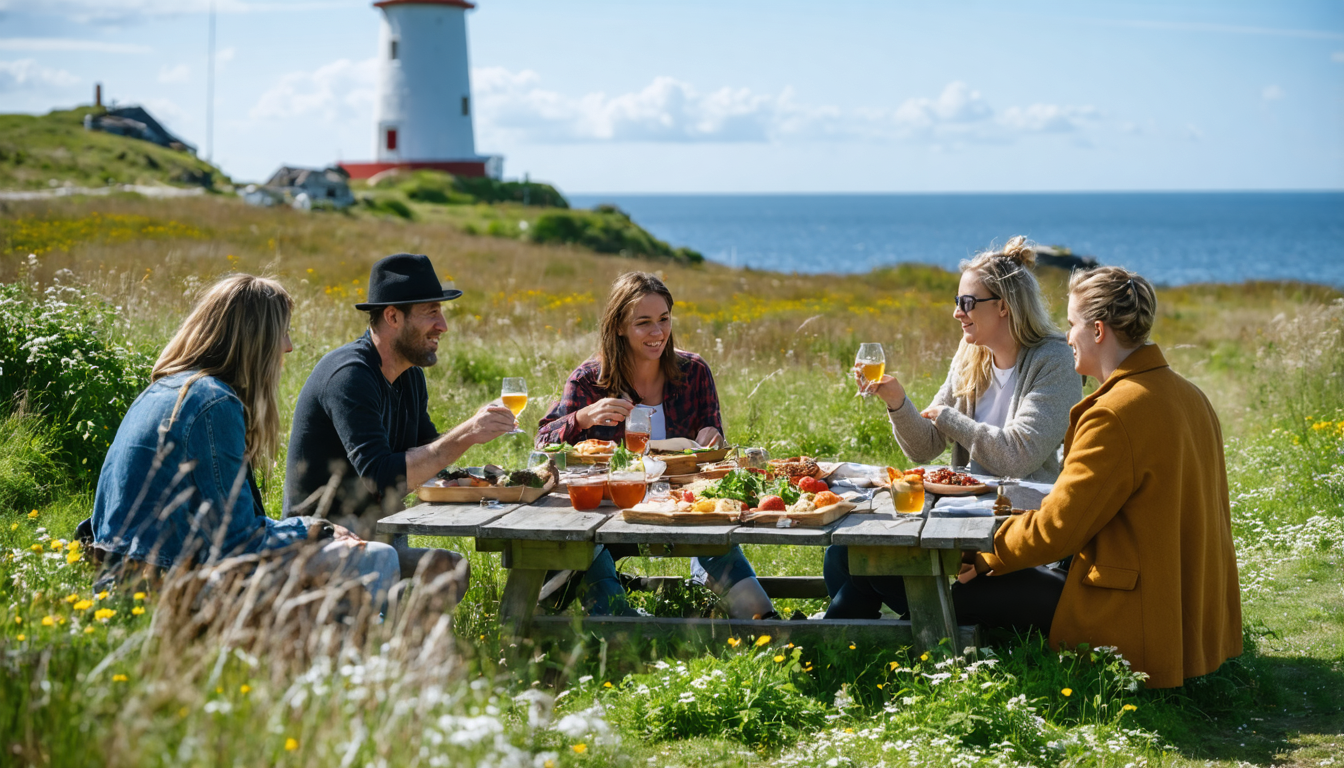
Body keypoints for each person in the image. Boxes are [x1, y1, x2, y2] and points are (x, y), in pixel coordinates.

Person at [962, 267, 1242, 687]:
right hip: (1186, 608)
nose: (1067, 336)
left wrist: (984, 555)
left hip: (1130, 611)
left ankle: (847, 657)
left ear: (1096, 330)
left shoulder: (1115, 414)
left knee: (956, 595)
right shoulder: (1190, 395)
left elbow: (1058, 530)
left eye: (1072, 324)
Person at [89, 275, 398, 606]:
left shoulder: (164, 389)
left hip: (121, 581)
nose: (289, 346)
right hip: (164, 586)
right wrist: (313, 528)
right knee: (377, 557)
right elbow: (238, 544)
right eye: (283, 332)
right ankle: (359, 656)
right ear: (256, 340)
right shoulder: (214, 403)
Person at [825, 237, 1081, 624]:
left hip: (1013, 526)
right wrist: (897, 401)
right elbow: (925, 448)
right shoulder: (971, 355)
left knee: (862, 568)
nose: (958, 313)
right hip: (960, 515)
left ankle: (843, 645)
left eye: (967, 302)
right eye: (957, 302)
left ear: (1003, 306)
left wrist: (948, 416)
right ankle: (884, 637)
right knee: (845, 554)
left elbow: (1019, 455)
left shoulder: (1054, 360)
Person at [537, 272, 772, 619]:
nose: (658, 333)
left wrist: (711, 437)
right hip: (609, 515)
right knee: (614, 615)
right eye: (643, 323)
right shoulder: (590, 379)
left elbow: (712, 454)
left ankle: (751, 613)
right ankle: (627, 632)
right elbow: (543, 442)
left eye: (663, 320)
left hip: (683, 511)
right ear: (618, 326)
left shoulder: (693, 372)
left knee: (757, 612)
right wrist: (583, 418)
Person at [283, 253, 516, 598]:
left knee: (449, 570)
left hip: (380, 534)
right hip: (324, 541)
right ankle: (394, 648)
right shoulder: (350, 376)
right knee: (447, 570)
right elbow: (381, 479)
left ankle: (407, 649)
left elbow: (426, 454)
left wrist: (489, 479)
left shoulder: (410, 376)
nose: (443, 325)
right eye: (431, 312)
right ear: (393, 316)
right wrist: (466, 433)